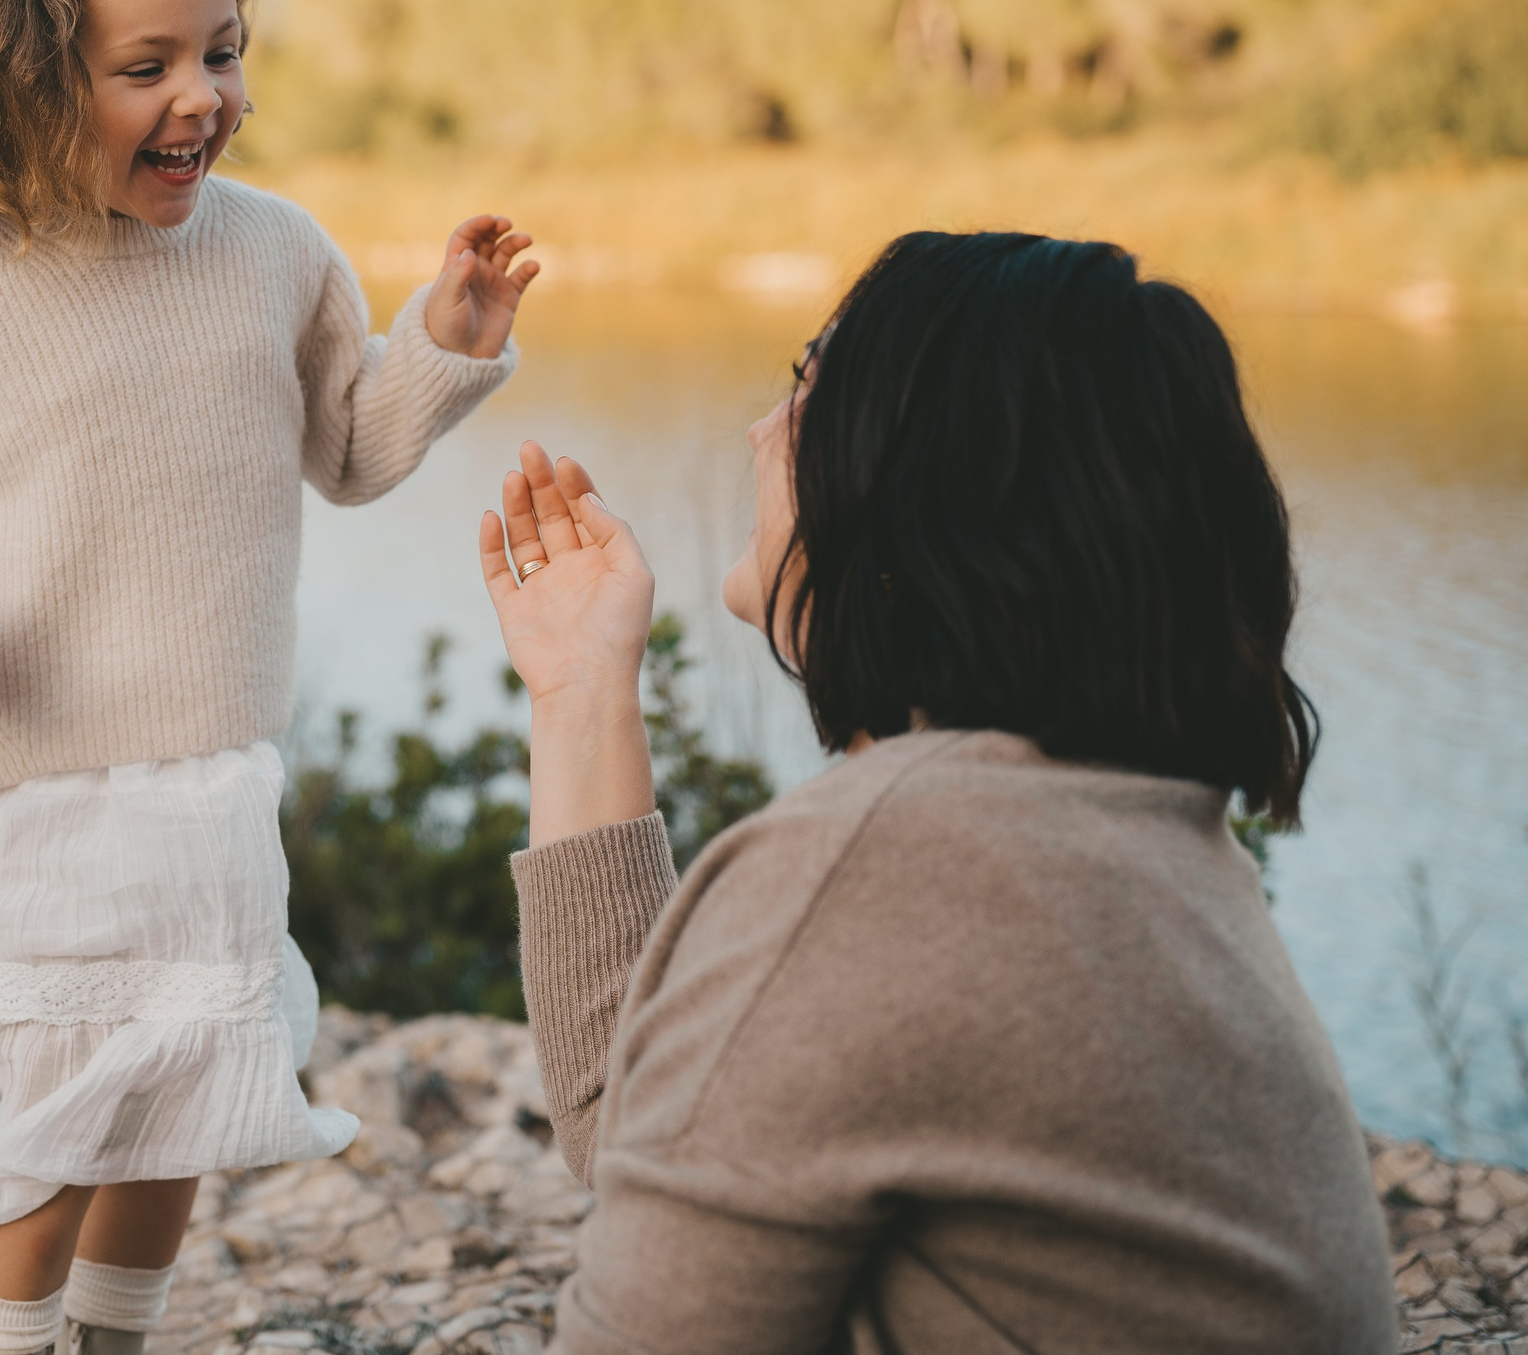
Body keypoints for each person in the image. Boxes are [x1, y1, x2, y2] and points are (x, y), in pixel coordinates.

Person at [0, 0, 536, 1355]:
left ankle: (115, 1336)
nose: (204, 95)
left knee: (184, 1101)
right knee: (60, 1122)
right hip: (15, 794)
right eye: (147, 67)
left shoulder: (271, 250)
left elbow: (347, 442)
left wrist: (441, 350)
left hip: (202, 782)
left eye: (222, 49)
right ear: (15, 83)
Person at [478, 231, 1400, 1353]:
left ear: (912, 477)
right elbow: (653, 1126)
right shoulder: (1127, 836)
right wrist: (580, 693)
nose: (759, 429)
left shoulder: (885, 854)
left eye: (804, 388)